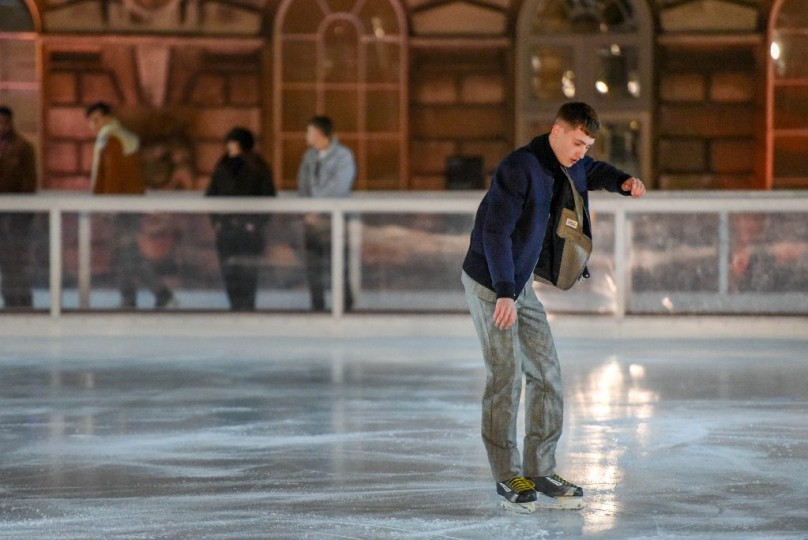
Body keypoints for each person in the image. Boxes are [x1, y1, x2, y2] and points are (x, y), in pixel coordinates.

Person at [461, 102, 647, 513]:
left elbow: (593, 171)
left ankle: (540, 468)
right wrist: (506, 291)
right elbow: (495, 234)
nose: (582, 150)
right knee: (505, 375)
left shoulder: (573, 162)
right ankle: (507, 473)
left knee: (546, 373)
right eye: (577, 141)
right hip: (491, 280)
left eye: (588, 143)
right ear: (556, 131)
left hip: (517, 281)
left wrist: (622, 182)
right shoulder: (518, 168)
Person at [86, 101, 176, 309]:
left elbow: (111, 176)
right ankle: (134, 298)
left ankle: (157, 295)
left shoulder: (111, 138)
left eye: (97, 119)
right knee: (125, 255)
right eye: (90, 121)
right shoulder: (123, 137)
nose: (93, 124)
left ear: (108, 117)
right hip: (128, 204)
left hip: (120, 206)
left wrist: (106, 204)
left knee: (127, 255)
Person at [206, 127, 276, 311]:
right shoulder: (222, 165)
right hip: (227, 229)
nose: (229, 147)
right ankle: (235, 306)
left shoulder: (258, 167)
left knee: (248, 272)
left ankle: (247, 307)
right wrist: (217, 221)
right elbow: (211, 194)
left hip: (248, 230)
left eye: (233, 143)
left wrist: (255, 223)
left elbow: (268, 197)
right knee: (229, 272)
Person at [296, 115, 356, 312]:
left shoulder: (343, 156)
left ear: (320, 134)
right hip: (311, 220)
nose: (307, 136)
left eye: (310, 132)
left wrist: (318, 208)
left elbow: (339, 186)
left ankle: (345, 306)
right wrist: (308, 209)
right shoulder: (309, 157)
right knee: (313, 265)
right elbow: (303, 184)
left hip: (334, 219)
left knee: (338, 264)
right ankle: (317, 305)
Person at [0, 105, 37, 309]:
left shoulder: (23, 148)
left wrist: (24, 212)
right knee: (5, 261)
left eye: (4, 122)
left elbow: (29, 182)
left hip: (16, 216)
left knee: (17, 260)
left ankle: (21, 300)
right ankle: (9, 299)